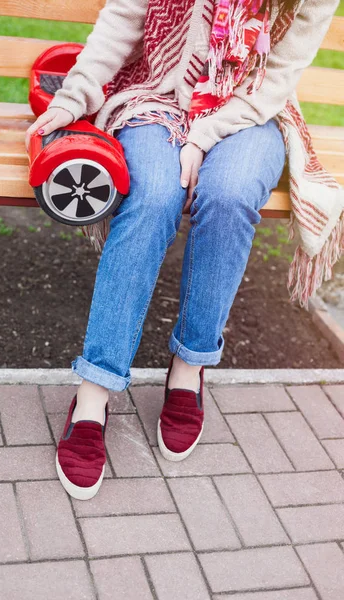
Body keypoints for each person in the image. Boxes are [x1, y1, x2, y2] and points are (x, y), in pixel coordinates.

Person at [25, 0, 342, 501]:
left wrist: (203, 136)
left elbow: (276, 78)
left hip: (250, 107)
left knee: (230, 196)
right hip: (156, 91)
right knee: (153, 198)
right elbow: (124, 19)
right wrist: (76, 94)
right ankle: (93, 392)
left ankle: (189, 367)